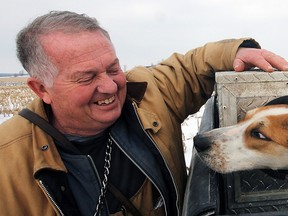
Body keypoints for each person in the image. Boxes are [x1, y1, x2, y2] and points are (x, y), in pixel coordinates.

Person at [1, 10, 288, 216]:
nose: (109, 86)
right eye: (86, 77)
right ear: (41, 88)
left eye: (113, 68)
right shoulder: (7, 164)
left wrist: (238, 52)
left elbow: (190, 66)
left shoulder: (147, 95)